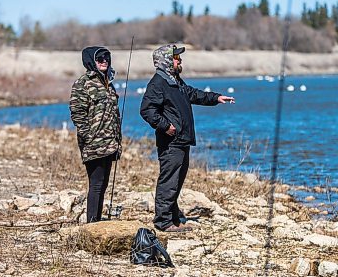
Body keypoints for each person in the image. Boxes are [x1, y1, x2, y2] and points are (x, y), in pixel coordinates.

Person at [140, 44, 235, 232]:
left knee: (177, 180)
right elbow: (147, 110)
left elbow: (193, 94)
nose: (179, 60)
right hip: (171, 142)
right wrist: (166, 126)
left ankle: (174, 218)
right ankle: (163, 222)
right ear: (167, 61)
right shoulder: (158, 83)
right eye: (176, 58)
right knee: (169, 180)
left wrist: (215, 98)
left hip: (182, 140)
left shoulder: (174, 81)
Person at [69, 46, 122, 223]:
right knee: (96, 184)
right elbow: (77, 113)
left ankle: (97, 221)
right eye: (100, 58)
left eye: (106, 57)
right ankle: (91, 224)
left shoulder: (108, 83)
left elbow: (114, 113)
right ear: (91, 61)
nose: (104, 61)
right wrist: (88, 136)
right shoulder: (83, 83)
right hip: (93, 144)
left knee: (104, 184)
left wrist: (117, 139)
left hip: (110, 143)